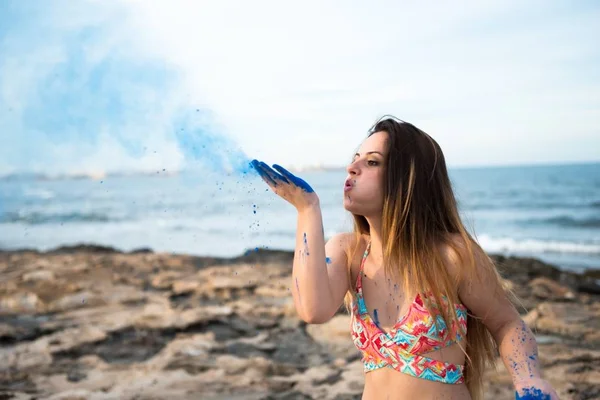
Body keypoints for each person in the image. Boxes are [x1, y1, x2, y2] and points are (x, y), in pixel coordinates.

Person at [250, 116, 559, 400]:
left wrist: (529, 380)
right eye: (354, 160)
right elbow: (312, 310)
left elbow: (506, 324)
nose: (352, 168)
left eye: (371, 162)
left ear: (407, 179)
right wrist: (307, 210)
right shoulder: (348, 252)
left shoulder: (452, 256)